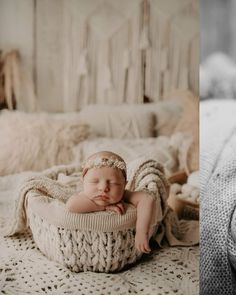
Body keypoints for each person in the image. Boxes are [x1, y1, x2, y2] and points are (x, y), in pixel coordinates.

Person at [66, 151, 156, 253]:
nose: (103, 188)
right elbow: (71, 205)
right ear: (83, 182)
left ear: (124, 185)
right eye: (95, 181)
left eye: (114, 183)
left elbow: (147, 198)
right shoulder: (84, 195)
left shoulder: (123, 194)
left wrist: (141, 231)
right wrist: (104, 207)